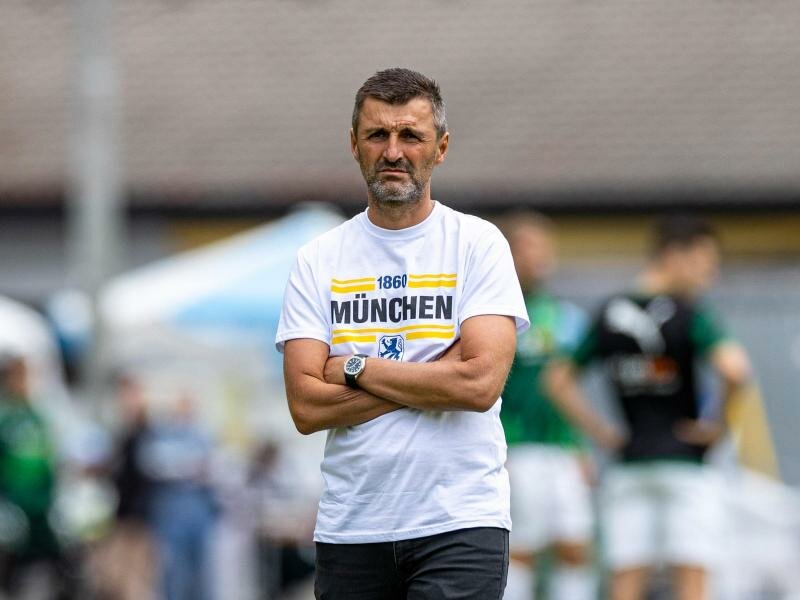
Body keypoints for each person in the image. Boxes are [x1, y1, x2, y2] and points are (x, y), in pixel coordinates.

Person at [276, 67, 529, 600]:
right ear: (354, 144)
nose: (393, 151)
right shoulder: (318, 260)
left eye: (410, 135)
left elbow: (479, 387)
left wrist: (356, 368)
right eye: (377, 135)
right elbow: (306, 408)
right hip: (351, 526)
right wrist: (437, 371)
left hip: (458, 522)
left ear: (440, 147)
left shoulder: (477, 245)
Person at [545, 215, 752, 600]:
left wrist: (601, 433)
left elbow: (556, 380)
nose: (710, 273)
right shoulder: (690, 313)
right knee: (691, 577)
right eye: (705, 262)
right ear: (674, 255)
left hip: (630, 462)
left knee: (626, 577)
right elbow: (736, 370)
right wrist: (716, 425)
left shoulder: (609, 312)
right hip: (687, 464)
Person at [498, 213, 596, 600]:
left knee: (575, 546)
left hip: (562, 448)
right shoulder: (494, 314)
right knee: (522, 548)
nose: (541, 257)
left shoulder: (567, 317)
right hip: (516, 448)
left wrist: (581, 446)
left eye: (545, 247)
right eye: (529, 247)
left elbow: (566, 387)